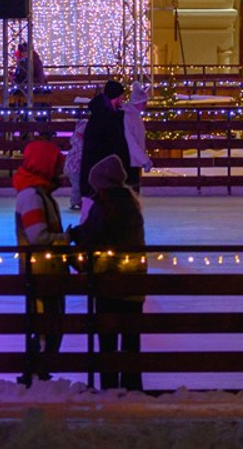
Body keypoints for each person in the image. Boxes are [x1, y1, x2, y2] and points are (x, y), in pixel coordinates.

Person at [73, 155, 147, 392]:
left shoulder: (107, 206)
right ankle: (132, 387)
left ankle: (109, 388)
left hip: (109, 282)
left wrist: (74, 238)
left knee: (107, 340)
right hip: (134, 284)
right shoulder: (130, 203)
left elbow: (93, 235)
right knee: (131, 340)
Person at [12, 137, 70, 384]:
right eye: (56, 165)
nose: (60, 170)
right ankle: (37, 374)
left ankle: (39, 374)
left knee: (51, 324)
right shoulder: (31, 196)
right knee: (46, 324)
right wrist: (66, 239)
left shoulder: (39, 194)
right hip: (40, 274)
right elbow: (38, 236)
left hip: (48, 271)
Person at [121, 84, 152, 184]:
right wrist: (144, 160)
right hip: (130, 161)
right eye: (144, 103)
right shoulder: (130, 116)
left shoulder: (134, 115)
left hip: (133, 160)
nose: (146, 105)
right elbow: (131, 141)